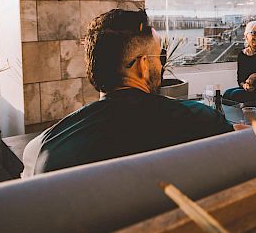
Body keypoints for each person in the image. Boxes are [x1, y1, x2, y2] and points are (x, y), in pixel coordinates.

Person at [22, 9, 233, 176]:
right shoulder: (198, 120)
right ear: (142, 65)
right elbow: (246, 143)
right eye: (160, 57)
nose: (161, 65)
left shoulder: (44, 147)